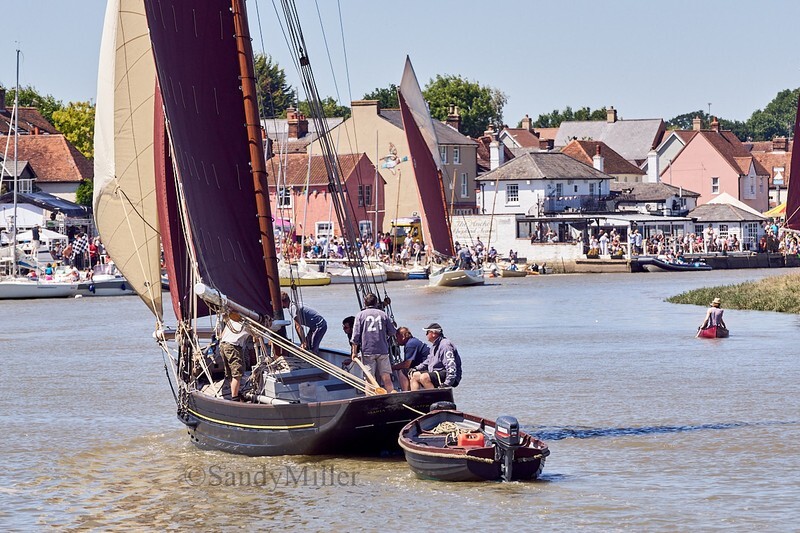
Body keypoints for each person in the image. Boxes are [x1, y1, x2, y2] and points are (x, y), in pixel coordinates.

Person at [350, 293, 396, 392]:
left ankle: (370, 401)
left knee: (369, 379)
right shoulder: (383, 314)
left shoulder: (360, 315)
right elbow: (392, 331)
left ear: (364, 302)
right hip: (383, 350)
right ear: (376, 303)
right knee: (386, 378)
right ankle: (392, 397)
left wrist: (354, 352)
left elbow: (356, 336)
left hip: (368, 352)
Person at [409, 323, 462, 390]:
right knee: (414, 375)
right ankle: (415, 398)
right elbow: (428, 361)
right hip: (436, 372)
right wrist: (416, 368)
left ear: (433, 333)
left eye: (427, 332)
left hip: (448, 374)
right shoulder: (434, 346)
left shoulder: (445, 345)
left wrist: (447, 383)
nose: (426, 335)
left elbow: (451, 365)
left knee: (424, 377)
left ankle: (435, 397)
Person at [219, 315, 251, 401]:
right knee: (237, 372)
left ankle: (235, 392)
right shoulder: (250, 321)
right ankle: (235, 397)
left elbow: (222, 335)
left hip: (223, 344)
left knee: (230, 372)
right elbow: (257, 335)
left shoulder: (234, 318)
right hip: (233, 346)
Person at [393, 327, 431, 391]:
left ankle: (405, 392)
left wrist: (392, 367)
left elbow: (406, 365)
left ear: (403, 336)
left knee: (402, 371)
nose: (396, 340)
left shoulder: (410, 345)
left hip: (427, 367)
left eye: (397, 337)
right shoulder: (413, 341)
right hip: (426, 365)